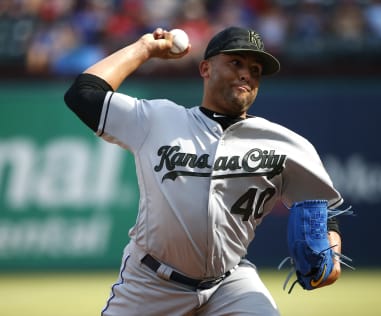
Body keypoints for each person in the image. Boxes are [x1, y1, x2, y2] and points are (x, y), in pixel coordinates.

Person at [64, 26, 346, 316]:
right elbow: (83, 94)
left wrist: (331, 255)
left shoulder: (286, 144)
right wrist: (145, 49)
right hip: (150, 283)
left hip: (229, 283)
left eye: (255, 69)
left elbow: (324, 212)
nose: (246, 74)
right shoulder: (156, 120)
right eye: (235, 63)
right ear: (205, 68)